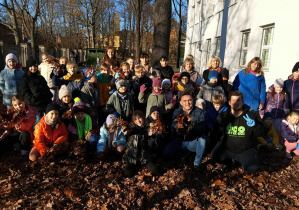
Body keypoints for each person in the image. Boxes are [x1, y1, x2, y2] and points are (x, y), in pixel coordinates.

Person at [211, 91, 265, 173]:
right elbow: (216, 133)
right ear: (229, 102)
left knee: (252, 168)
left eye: (238, 100)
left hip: (245, 150)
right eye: (233, 100)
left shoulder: (251, 115)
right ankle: (228, 162)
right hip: (227, 149)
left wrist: (254, 126)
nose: (236, 102)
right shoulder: (223, 116)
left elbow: (261, 133)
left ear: (242, 102)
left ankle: (246, 160)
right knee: (214, 156)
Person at [164, 92, 207, 171]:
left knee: (203, 139)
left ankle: (197, 164)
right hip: (180, 140)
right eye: (184, 101)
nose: (187, 103)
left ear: (193, 101)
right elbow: (173, 125)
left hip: (193, 139)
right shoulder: (177, 112)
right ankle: (184, 154)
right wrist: (178, 126)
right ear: (180, 102)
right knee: (167, 152)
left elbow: (202, 127)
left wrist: (191, 125)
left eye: (189, 100)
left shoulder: (200, 112)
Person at [123, 110, 161, 177]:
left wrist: (152, 133)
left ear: (143, 118)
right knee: (127, 173)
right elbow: (127, 131)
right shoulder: (131, 127)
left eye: (139, 118)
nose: (138, 121)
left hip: (144, 155)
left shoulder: (147, 126)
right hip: (133, 155)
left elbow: (149, 132)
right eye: (136, 119)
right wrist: (125, 131)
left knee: (155, 170)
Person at [21, 57, 53, 125]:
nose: (33, 68)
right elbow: (25, 93)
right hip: (35, 106)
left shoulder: (40, 77)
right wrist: (33, 101)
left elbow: (46, 89)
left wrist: (49, 97)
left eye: (35, 66)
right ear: (28, 67)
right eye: (31, 66)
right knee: (38, 123)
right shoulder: (26, 79)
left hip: (45, 104)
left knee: (48, 122)